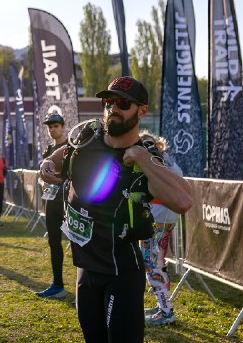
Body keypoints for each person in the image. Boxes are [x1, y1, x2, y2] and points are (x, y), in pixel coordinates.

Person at [39, 76, 192, 343]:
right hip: (85, 269)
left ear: (142, 111)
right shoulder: (87, 139)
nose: (113, 109)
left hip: (121, 272)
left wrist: (144, 161)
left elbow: (183, 201)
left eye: (123, 103)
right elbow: (61, 154)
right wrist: (48, 164)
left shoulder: (145, 159)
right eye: (108, 102)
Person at [139, 131, 184, 327]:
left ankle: (166, 311)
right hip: (164, 215)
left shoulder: (153, 159)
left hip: (159, 216)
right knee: (155, 261)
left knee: (152, 262)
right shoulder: (164, 158)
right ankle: (162, 306)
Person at [35, 112, 69, 300]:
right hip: (51, 201)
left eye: (55, 126)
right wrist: (44, 182)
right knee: (54, 243)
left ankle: (87, 288)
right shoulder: (48, 150)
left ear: (63, 126)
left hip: (69, 201)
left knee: (79, 243)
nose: (52, 129)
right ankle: (58, 285)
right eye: (49, 126)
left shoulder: (71, 147)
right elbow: (41, 176)